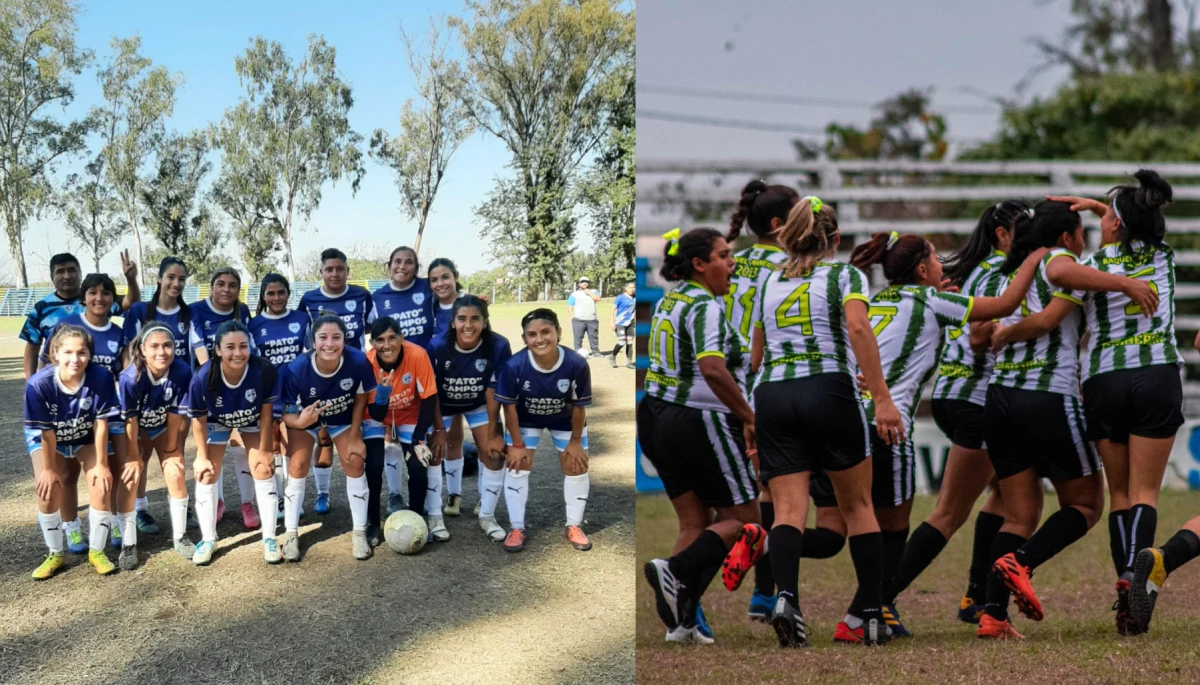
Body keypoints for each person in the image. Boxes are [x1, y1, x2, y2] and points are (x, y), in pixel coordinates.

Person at [846, 230, 1045, 639]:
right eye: (936, 260)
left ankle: (810, 597)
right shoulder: (931, 300)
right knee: (908, 525)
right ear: (921, 270)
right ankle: (869, 609)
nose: (943, 265)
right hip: (891, 421)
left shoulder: (879, 299)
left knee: (841, 523)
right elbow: (1006, 305)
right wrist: (1035, 257)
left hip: (849, 418)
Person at [976, 200, 1158, 640]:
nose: (1085, 244)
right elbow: (1054, 305)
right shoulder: (1059, 261)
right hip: (1046, 396)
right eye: (1081, 234)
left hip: (999, 398)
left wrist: (1003, 333)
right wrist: (1126, 283)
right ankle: (1022, 563)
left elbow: (977, 336)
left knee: (1018, 517)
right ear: (1065, 237)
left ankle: (992, 616)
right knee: (1086, 504)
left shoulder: (1005, 272)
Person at [751, 196, 904, 647]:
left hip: (774, 393)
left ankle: (786, 599)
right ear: (834, 239)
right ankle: (870, 615)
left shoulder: (767, 281)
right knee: (858, 507)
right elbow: (858, 329)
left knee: (789, 510)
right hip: (828, 389)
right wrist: (882, 398)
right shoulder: (845, 274)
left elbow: (756, 355)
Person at [1034, 171, 1181, 635]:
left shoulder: (1094, 265)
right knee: (1145, 494)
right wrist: (1106, 207)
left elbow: (1066, 270)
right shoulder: (1164, 257)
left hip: (1104, 381)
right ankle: (1140, 579)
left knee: (1119, 495)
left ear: (1115, 226)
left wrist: (1098, 209)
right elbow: (1137, 222)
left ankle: (1125, 583)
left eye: (1106, 216)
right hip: (1156, 374)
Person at [883, 201, 1028, 627]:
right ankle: (879, 600)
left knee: (1004, 493)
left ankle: (975, 598)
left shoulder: (985, 268)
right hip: (975, 399)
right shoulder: (1001, 270)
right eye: (1024, 229)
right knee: (949, 512)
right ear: (1002, 233)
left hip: (960, 395)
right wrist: (1029, 323)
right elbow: (981, 336)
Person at [638, 227, 763, 646]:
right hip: (699, 420)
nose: (732, 263)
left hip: (656, 415)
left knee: (695, 520)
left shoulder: (673, 300)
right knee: (747, 522)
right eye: (724, 256)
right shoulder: (705, 306)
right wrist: (749, 417)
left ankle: (683, 623)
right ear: (698, 264)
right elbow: (712, 368)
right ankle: (675, 570)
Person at [19, 252, 138, 552]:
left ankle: (110, 521)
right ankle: (71, 530)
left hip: (102, 410)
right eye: (92, 293)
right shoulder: (67, 324)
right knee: (66, 474)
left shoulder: (116, 330)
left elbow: (124, 365)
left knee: (107, 467)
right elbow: (45, 360)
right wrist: (37, 388)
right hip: (66, 411)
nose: (99, 298)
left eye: (104, 293)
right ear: (84, 298)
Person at [277, 315, 378, 561]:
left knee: (355, 459)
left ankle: (359, 531)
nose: (329, 344)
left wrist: (355, 435)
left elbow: (361, 396)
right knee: (298, 464)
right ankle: (291, 533)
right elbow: (287, 415)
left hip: (342, 419)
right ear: (313, 341)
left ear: (345, 340)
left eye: (336, 337)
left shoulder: (358, 361)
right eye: (323, 337)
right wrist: (300, 422)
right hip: (306, 421)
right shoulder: (295, 369)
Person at [495, 308, 594, 554]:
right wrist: (517, 445)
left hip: (564, 420)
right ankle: (516, 528)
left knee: (577, 464)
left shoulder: (576, 364)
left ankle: (574, 525)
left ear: (558, 332)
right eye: (532, 334)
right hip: (526, 420)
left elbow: (579, 407)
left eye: (546, 332)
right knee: (517, 467)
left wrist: (575, 441)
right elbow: (509, 409)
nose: (539, 339)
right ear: (524, 339)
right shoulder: (514, 365)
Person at [181, 321, 279, 565]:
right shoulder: (203, 377)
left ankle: (269, 537)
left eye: (243, 346)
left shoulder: (263, 370)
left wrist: (266, 450)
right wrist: (201, 457)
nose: (238, 352)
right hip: (217, 421)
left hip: (251, 418)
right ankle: (208, 539)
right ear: (217, 350)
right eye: (230, 347)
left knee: (264, 468)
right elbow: (199, 421)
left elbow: (267, 415)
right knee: (206, 473)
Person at [24, 325, 119, 578]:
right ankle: (55, 554)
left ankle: (97, 551)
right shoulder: (38, 384)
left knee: (101, 483)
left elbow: (101, 423)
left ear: (90, 355)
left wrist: (101, 463)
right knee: (48, 490)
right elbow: (46, 432)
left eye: (82, 353)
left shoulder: (101, 377)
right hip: (49, 439)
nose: (75, 359)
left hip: (85, 435)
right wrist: (49, 469)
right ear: (54, 353)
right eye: (68, 352)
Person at [296, 248, 377, 516]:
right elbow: (304, 339)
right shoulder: (308, 300)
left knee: (354, 445)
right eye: (329, 269)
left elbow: (376, 332)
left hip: (354, 379)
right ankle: (323, 494)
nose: (334, 273)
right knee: (322, 437)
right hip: (320, 379)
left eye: (339, 269)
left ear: (347, 271)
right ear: (321, 272)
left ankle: (366, 509)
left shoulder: (362, 296)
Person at [428, 295, 513, 541]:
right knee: (434, 452)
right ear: (453, 322)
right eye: (462, 318)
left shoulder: (498, 345)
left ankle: (487, 515)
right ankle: (435, 514)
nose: (468, 325)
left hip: (478, 404)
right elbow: (430, 391)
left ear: (485, 321)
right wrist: (437, 429)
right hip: (442, 405)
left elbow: (495, 391)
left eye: (475, 318)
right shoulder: (437, 345)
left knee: (496, 454)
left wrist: (496, 432)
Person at [121, 256, 191, 534]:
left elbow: (196, 348)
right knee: (138, 455)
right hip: (143, 388)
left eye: (181, 279)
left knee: (174, 455)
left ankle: (182, 521)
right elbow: (130, 348)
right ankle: (139, 511)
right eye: (170, 277)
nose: (175, 283)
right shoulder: (140, 311)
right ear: (159, 279)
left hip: (174, 387)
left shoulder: (188, 313)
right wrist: (136, 379)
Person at [364, 317, 447, 544]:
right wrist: (382, 391)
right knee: (373, 465)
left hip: (411, 414)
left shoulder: (417, 354)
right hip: (376, 416)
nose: (387, 345)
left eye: (392, 338)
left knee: (418, 463)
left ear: (402, 337)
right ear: (372, 344)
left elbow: (429, 399)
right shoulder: (367, 362)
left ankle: (417, 517)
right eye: (380, 340)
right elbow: (377, 414)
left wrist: (418, 439)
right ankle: (372, 523)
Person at [119, 324, 194, 560]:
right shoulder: (130, 378)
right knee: (130, 476)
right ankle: (128, 544)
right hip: (134, 428)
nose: (162, 352)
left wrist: (172, 449)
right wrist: (132, 455)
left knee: (175, 470)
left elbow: (175, 415)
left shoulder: (181, 371)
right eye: (154, 346)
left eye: (167, 345)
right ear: (142, 350)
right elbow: (130, 420)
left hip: (162, 425)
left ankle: (180, 536)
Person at [188, 266, 254, 525]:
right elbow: (199, 348)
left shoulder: (243, 311)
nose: (226, 289)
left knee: (240, 448)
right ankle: (217, 501)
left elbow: (246, 346)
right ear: (212, 286)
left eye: (232, 285)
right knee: (214, 449)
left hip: (240, 385)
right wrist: (217, 380)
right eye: (221, 284)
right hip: (212, 386)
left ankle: (247, 504)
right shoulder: (196, 310)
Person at [249, 273, 312, 523]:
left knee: (292, 444)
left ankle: (290, 497)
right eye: (271, 293)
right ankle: (273, 499)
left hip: (294, 393)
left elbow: (310, 353)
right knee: (271, 444)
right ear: (263, 296)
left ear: (288, 293)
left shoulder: (301, 318)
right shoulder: (254, 325)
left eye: (281, 292)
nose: (276, 298)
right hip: (267, 395)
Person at [21, 250, 139, 380]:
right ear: (52, 276)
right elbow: (32, 348)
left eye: (71, 270)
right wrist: (31, 381)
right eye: (60, 272)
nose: (67, 276)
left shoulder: (97, 301)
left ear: (80, 273)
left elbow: (131, 303)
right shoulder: (41, 308)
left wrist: (131, 279)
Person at [427, 257, 469, 517]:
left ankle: (454, 496)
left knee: (454, 436)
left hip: (460, 381)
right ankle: (431, 500)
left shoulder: (468, 305)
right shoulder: (427, 306)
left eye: (445, 277)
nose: (440, 283)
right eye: (434, 279)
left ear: (455, 276)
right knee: (432, 438)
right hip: (429, 381)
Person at [373, 246, 436, 348]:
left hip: (428, 359)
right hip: (396, 362)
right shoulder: (377, 297)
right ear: (389, 267)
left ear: (416, 269)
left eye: (409, 262)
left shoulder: (428, 287)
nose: (402, 266)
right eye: (397, 261)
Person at [567, 277, 603, 357]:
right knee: (578, 337)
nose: (585, 283)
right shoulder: (574, 294)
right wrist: (571, 316)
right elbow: (570, 305)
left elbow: (598, 298)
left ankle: (595, 352)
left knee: (593, 336)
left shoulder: (594, 291)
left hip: (592, 319)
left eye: (586, 281)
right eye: (583, 282)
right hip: (578, 319)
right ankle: (578, 352)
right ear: (579, 284)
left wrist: (589, 293)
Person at [610, 281, 636, 369]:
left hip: (631, 324)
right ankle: (613, 356)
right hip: (620, 323)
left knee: (630, 343)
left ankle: (629, 362)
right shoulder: (620, 298)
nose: (632, 289)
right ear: (625, 288)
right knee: (621, 342)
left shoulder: (635, 297)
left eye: (634, 287)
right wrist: (612, 322)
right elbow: (613, 310)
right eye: (630, 287)